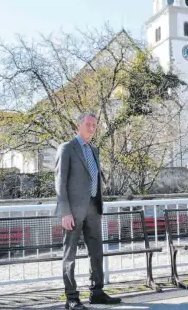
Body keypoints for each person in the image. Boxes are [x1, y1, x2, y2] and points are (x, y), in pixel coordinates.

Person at [55, 112, 122, 310]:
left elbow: (95, 180)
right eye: (88, 124)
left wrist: (99, 206)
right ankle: (72, 297)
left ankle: (97, 292)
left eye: (94, 125)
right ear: (79, 126)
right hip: (73, 212)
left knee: (96, 252)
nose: (92, 128)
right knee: (70, 254)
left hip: (93, 209)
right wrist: (65, 212)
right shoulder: (67, 148)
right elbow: (60, 182)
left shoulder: (94, 150)